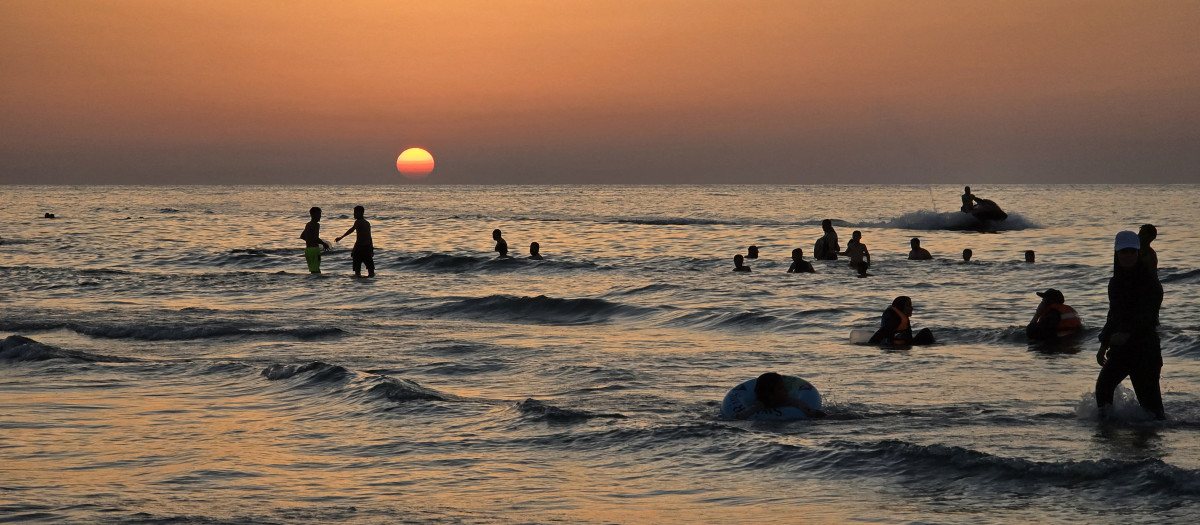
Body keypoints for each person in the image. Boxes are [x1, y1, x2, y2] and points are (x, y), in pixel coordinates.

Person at [1095, 231, 1164, 420]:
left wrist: (1126, 334)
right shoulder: (1115, 283)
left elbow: (1148, 316)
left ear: (1138, 253)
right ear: (1116, 254)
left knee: (1152, 411)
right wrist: (1104, 343)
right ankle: (1105, 432)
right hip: (1121, 350)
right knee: (1103, 389)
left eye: (1132, 252)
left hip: (1145, 350)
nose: (1128, 256)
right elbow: (1113, 315)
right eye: (1123, 252)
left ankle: (1152, 444)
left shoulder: (1151, 283)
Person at [733, 372, 826, 419]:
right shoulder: (759, 405)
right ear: (768, 393)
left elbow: (807, 409)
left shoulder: (790, 401)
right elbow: (743, 414)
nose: (786, 390)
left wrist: (818, 415)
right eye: (780, 388)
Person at [868, 296, 935, 345]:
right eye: (908, 305)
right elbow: (878, 336)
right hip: (896, 347)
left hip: (900, 345)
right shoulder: (895, 320)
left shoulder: (897, 317)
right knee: (926, 332)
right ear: (901, 307)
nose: (912, 308)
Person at [335, 205, 375, 278]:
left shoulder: (358, 222)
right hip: (367, 247)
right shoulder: (367, 223)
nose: (354, 214)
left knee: (357, 269)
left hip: (360, 248)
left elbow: (351, 230)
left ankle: (358, 283)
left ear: (361, 213)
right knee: (370, 269)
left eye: (355, 212)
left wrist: (341, 237)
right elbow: (369, 237)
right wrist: (371, 248)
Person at [299, 206, 331, 274]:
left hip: (308, 250)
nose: (320, 216)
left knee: (313, 271)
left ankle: (313, 284)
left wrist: (310, 240)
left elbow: (302, 236)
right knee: (316, 271)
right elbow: (316, 238)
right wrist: (324, 244)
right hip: (314, 250)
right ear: (312, 215)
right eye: (318, 214)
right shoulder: (316, 225)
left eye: (320, 214)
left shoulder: (308, 224)